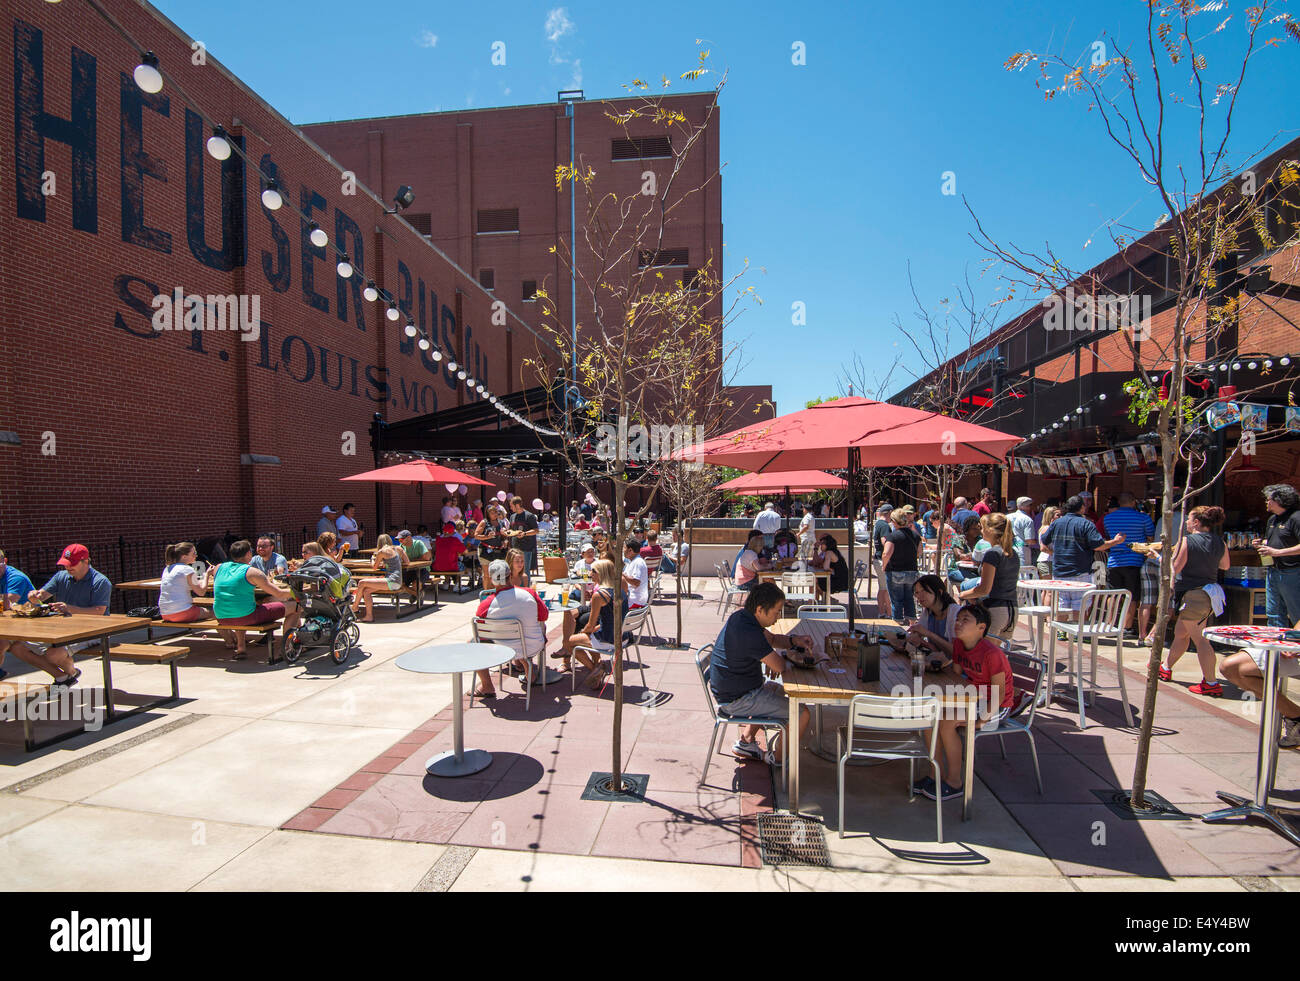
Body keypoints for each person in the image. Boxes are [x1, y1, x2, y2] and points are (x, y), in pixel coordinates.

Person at [918, 604, 1016, 801]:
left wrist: (982, 719)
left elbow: (1000, 692)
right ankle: (934, 774)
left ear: (981, 628)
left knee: (946, 723)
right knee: (928, 717)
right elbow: (956, 677)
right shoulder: (958, 644)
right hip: (972, 698)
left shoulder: (992, 653)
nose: (958, 623)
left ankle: (955, 782)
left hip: (996, 705)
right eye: (958, 619)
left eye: (965, 620)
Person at [708, 582, 813, 766]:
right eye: (776, 611)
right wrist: (773, 658)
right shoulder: (748, 631)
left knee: (777, 691)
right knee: (801, 713)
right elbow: (780, 666)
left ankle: (745, 742)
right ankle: (778, 759)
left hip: (739, 691)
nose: (778, 617)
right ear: (759, 609)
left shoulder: (743, 617)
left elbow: (772, 639)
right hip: (737, 700)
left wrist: (793, 641)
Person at [2, 544, 112, 685]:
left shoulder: (100, 581)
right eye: (66, 564)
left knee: (54, 653)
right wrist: (34, 596)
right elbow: (42, 595)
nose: (68, 567)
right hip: (63, 628)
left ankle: (69, 673)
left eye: (72, 564)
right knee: (17, 648)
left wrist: (69, 608)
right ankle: (65, 676)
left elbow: (99, 611)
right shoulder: (61, 576)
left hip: (93, 630)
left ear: (86, 561)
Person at [1155, 506, 1230, 696]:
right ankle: (1166, 667)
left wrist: (1158, 557)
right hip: (1208, 594)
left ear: (1196, 522)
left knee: (1200, 640)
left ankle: (1211, 683)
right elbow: (1225, 565)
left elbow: (1175, 568)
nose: (1186, 522)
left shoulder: (1187, 541)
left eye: (1189, 518)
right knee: (1181, 633)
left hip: (1193, 595)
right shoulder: (1219, 541)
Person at [470, 559, 548, 697]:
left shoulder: (487, 604)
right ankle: (528, 667)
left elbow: (482, 631)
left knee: (474, 643)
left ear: (490, 578)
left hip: (503, 651)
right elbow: (544, 616)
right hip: (533, 645)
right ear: (510, 575)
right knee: (528, 630)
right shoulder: (530, 593)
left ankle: (487, 686)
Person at [1039, 495, 1125, 618]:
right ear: (1082, 508)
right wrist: (1116, 541)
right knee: (1080, 605)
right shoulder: (1086, 524)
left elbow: (1044, 540)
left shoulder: (1056, 523)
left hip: (1059, 571)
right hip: (1080, 571)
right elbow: (1098, 546)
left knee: (1062, 604)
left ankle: (1061, 631)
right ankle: (1077, 635)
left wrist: (1057, 552)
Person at [212, 540, 299, 657]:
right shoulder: (252, 572)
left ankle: (241, 647)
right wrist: (296, 593)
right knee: (296, 607)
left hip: (221, 617)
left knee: (241, 605)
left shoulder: (218, 568)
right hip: (246, 617)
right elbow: (278, 593)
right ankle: (287, 647)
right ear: (248, 554)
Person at [561, 558, 628, 690]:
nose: (591, 574)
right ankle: (597, 665)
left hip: (610, 638)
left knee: (567, 642)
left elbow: (590, 625)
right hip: (624, 636)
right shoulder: (620, 590)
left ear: (601, 573)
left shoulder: (599, 595)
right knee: (589, 635)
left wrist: (583, 632)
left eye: (594, 571)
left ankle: (595, 669)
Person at [957, 513, 1021, 640]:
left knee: (985, 656)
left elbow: (984, 589)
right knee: (997, 656)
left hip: (995, 610)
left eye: (983, 527)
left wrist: (963, 594)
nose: (981, 531)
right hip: (1012, 610)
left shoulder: (992, 554)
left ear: (990, 530)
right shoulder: (1013, 553)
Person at [1103, 491, 1155, 634]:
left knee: (1113, 594)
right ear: (1133, 502)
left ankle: (1109, 624)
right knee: (1131, 595)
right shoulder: (1143, 518)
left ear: (1119, 503)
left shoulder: (1108, 518)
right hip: (1135, 561)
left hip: (1114, 561)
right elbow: (1151, 537)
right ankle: (1127, 626)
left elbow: (1108, 536)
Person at [1254, 484, 1300, 628]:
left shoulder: (1296, 518)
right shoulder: (1272, 520)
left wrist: (1277, 553)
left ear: (1280, 500)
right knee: (1273, 613)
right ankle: (1277, 648)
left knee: (1297, 613)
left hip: (1292, 572)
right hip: (1273, 571)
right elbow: (1274, 542)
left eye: (1269, 499)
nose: (1266, 502)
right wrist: (1261, 544)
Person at [351, 534, 406, 623]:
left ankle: (354, 606)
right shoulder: (398, 549)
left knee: (361, 582)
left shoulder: (382, 551)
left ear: (379, 543)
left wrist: (373, 559)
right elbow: (407, 561)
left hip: (391, 581)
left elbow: (374, 567)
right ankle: (369, 616)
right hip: (398, 581)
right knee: (366, 591)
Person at [880, 505, 921, 620]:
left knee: (897, 601)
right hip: (912, 571)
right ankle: (912, 625)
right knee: (910, 599)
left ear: (894, 521)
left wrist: (884, 566)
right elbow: (919, 552)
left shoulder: (892, 536)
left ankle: (897, 625)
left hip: (895, 571)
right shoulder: (915, 536)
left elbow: (886, 553)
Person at [906, 574, 959, 658]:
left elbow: (956, 652)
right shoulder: (928, 611)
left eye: (924, 591)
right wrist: (917, 637)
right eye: (917, 593)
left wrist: (929, 634)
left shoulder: (955, 613)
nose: (919, 596)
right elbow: (917, 632)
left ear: (940, 592)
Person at [158, 542, 210, 625]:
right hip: (182, 612)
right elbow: (201, 592)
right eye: (193, 553)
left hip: (165, 613)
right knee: (217, 613)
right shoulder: (188, 570)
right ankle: (232, 638)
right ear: (184, 556)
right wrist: (207, 575)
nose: (196, 555)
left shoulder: (168, 568)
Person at [506, 496, 539, 573]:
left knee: (525, 571)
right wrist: (506, 532)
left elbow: (536, 530)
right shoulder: (512, 516)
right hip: (514, 549)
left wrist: (524, 533)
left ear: (517, 505)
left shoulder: (529, 516)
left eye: (511, 506)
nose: (510, 508)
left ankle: (525, 585)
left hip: (526, 548)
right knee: (514, 571)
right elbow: (511, 530)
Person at [812, 534, 849, 601]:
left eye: (822, 543)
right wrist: (815, 549)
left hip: (840, 582)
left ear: (827, 544)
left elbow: (825, 567)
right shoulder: (829, 552)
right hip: (839, 579)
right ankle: (821, 601)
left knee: (814, 580)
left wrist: (824, 566)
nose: (820, 545)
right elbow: (815, 562)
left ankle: (816, 602)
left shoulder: (829, 553)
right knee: (815, 580)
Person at [1009, 497, 1038, 568]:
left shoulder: (1007, 517)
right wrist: (1037, 542)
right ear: (1027, 506)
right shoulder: (1027, 519)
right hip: (1022, 549)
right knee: (1023, 574)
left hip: (1008, 548)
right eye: (1030, 505)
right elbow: (1029, 540)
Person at [622, 538, 650, 610]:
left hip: (635, 601)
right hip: (634, 598)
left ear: (630, 550)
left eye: (624, 548)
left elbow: (636, 582)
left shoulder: (638, 562)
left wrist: (622, 574)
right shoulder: (633, 561)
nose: (623, 550)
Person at [1036, 506, 1059, 579]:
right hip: (1047, 561)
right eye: (1057, 515)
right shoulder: (1047, 528)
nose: (1060, 517)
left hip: (1050, 561)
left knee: (1047, 589)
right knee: (1048, 588)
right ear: (1050, 516)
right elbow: (1043, 548)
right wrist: (1057, 554)